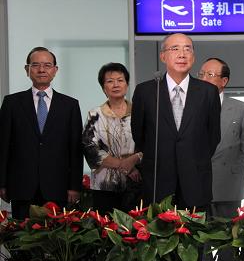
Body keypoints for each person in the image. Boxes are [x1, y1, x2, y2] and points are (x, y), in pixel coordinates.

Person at [131, 33, 221, 210]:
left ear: (193, 57)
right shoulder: (146, 91)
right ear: (163, 56)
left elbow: (213, 136)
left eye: (187, 49)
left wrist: (191, 157)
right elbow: (139, 135)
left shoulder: (208, 92)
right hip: (158, 183)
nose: (182, 54)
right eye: (175, 48)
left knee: (197, 235)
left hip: (196, 181)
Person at [0, 47, 83, 220]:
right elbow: (3, 145)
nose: (41, 69)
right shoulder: (11, 103)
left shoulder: (70, 105)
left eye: (47, 65)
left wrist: (74, 186)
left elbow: (75, 149)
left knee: (55, 243)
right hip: (21, 186)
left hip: (57, 186)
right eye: (35, 65)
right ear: (27, 69)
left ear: (55, 70)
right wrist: (2, 183)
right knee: (21, 242)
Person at [198, 57, 244, 261]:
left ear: (224, 81)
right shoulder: (189, 106)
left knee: (227, 241)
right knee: (200, 239)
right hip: (197, 184)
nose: (203, 78)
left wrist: (235, 175)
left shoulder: (240, 108)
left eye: (210, 75)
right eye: (201, 74)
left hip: (228, 185)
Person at [82, 63, 142, 214]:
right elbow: (89, 147)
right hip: (104, 185)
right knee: (105, 230)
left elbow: (150, 143)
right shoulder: (95, 114)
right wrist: (122, 164)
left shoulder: (140, 112)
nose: (116, 84)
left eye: (120, 80)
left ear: (127, 85)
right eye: (110, 81)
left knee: (135, 230)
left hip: (136, 183)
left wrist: (134, 160)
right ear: (103, 88)